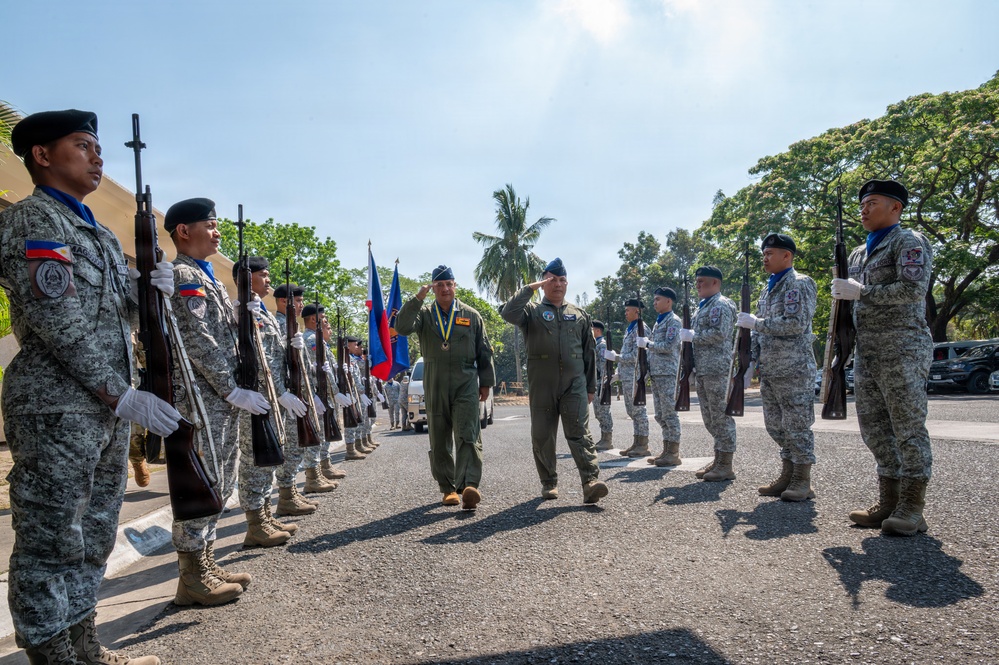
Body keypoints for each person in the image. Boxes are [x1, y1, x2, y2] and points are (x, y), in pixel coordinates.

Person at [1, 109, 175, 664]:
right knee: (50, 540)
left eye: (99, 147)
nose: (98, 156)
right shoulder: (34, 220)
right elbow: (56, 316)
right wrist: (116, 390)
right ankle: (52, 657)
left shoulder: (96, 231)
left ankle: (85, 649)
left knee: (95, 534)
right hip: (56, 407)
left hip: (102, 410)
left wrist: (152, 284)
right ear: (43, 155)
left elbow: (122, 307)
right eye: (83, 145)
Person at [165, 197, 267, 606]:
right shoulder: (184, 274)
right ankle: (192, 574)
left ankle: (204, 562)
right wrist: (229, 386)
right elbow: (199, 340)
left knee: (218, 479)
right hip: (201, 395)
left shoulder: (206, 276)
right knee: (203, 479)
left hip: (216, 397)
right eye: (210, 224)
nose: (218, 231)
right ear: (183, 231)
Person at [832, 179, 933, 536]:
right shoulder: (858, 253)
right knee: (874, 430)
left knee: (907, 428)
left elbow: (911, 289)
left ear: (895, 207)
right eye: (862, 204)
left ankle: (912, 507)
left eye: (871, 203)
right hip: (868, 350)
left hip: (902, 347)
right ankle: (888, 502)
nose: (864, 209)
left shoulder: (909, 242)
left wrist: (863, 292)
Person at [501, 258, 608, 504]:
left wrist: (590, 386)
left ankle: (590, 482)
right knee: (542, 435)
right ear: (543, 282)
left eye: (561, 280)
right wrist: (530, 289)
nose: (557, 284)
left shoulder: (579, 315)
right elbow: (508, 312)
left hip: (575, 384)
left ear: (567, 283)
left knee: (580, 433)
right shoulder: (531, 312)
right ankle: (549, 483)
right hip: (543, 385)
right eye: (551, 280)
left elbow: (588, 352)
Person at [395, 265, 495, 509]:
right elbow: (402, 327)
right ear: (433, 289)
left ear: (455, 286)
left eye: (449, 284)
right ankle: (448, 488)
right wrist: (417, 298)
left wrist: (487, 382)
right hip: (435, 380)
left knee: (468, 433)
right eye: (439, 285)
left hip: (466, 381)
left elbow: (484, 350)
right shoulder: (425, 314)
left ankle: (469, 485)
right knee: (439, 437)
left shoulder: (471, 315)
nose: (445, 289)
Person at [234, 257, 311, 549]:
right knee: (256, 460)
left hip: (270, 398)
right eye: (263, 275)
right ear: (246, 278)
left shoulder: (262, 312)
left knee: (266, 459)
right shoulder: (243, 309)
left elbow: (278, 361)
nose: (268, 280)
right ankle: (255, 523)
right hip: (255, 398)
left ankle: (264, 516)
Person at [737, 234, 817, 500]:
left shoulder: (799, 283)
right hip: (771, 370)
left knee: (797, 425)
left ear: (787, 256)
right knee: (775, 426)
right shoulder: (767, 289)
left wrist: (756, 324)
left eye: (771, 253)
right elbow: (757, 334)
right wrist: (751, 364)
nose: (765, 257)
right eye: (765, 253)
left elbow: (795, 323)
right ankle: (787, 474)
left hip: (794, 368)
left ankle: (802, 480)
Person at [272, 284, 326, 512]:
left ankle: (290, 492)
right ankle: (286, 496)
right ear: (285, 301)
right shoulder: (278, 324)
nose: (301, 305)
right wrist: (283, 392)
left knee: (297, 446)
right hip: (286, 396)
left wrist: (311, 393)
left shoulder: (291, 327)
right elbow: (275, 363)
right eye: (299, 300)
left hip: (299, 393)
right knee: (291, 447)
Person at [681, 266, 738, 482]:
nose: (698, 285)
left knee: (721, 417)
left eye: (702, 281)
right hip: (705, 369)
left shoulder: (720, 305)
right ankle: (719, 459)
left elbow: (720, 333)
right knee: (710, 418)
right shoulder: (702, 307)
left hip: (717, 369)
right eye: (696, 281)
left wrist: (693, 336)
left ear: (715, 283)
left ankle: (726, 464)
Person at [298, 303, 341, 494]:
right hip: (316, 394)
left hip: (323, 394)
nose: (326, 321)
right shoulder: (310, 340)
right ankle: (313, 477)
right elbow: (311, 371)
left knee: (322, 434)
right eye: (324, 318)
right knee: (317, 435)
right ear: (314, 319)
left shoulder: (317, 340)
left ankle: (322, 470)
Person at [639, 287, 683, 467]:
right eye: (654, 299)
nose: (654, 302)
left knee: (670, 413)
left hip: (667, 373)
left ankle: (673, 452)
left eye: (658, 299)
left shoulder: (673, 321)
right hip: (658, 373)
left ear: (668, 301)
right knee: (660, 414)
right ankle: (666, 449)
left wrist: (648, 344)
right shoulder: (659, 321)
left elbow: (669, 346)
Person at [603, 298, 650, 457]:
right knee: (632, 410)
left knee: (638, 410)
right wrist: (618, 373)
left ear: (637, 311)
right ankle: (637, 442)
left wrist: (617, 357)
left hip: (635, 375)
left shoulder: (641, 329)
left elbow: (637, 355)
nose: (625, 313)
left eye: (627, 310)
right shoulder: (631, 328)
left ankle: (643, 444)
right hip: (628, 375)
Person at [590, 320, 614, 450]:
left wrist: (604, 381)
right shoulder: (595, 344)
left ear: (597, 330)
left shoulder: (602, 345)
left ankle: (607, 439)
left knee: (603, 411)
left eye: (591, 329)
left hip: (601, 381)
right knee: (598, 412)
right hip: (596, 381)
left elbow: (604, 365)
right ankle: (604, 438)